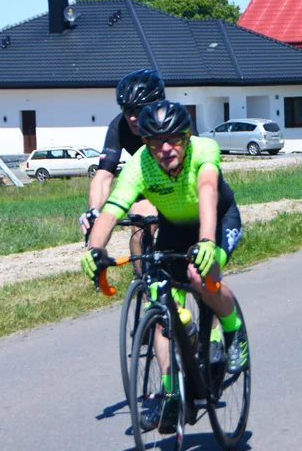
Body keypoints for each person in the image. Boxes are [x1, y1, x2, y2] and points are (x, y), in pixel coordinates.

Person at [83, 101, 245, 429]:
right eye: (156, 143)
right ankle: (171, 395)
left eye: (173, 140)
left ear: (187, 137)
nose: (166, 149)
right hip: (174, 226)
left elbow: (208, 190)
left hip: (216, 219)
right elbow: (112, 210)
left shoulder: (204, 149)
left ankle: (232, 329)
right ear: (146, 144)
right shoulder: (140, 166)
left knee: (200, 277)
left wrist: (207, 241)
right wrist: (93, 249)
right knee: (161, 306)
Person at [80, 69, 164, 254]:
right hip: (148, 184)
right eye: (127, 109)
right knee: (141, 230)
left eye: (139, 110)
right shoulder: (118, 127)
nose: (132, 117)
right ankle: (142, 279)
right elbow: (104, 176)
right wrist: (94, 210)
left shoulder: (175, 122)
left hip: (180, 185)